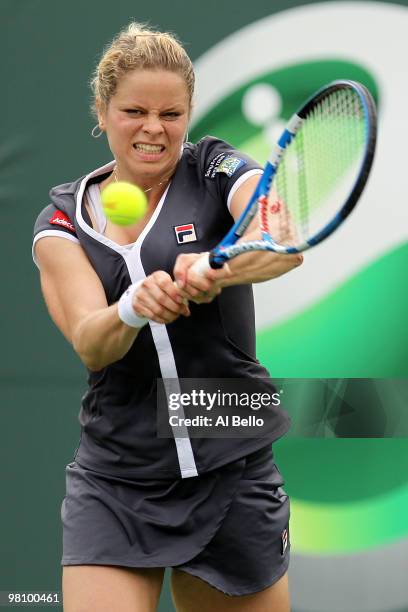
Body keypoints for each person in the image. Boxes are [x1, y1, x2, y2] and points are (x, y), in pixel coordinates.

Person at [32, 22, 303, 612]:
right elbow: (90, 341)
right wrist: (132, 305)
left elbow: (276, 239)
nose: (154, 128)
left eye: (171, 113)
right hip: (117, 480)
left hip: (231, 456)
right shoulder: (60, 223)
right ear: (101, 112)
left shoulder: (214, 167)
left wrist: (220, 267)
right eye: (134, 110)